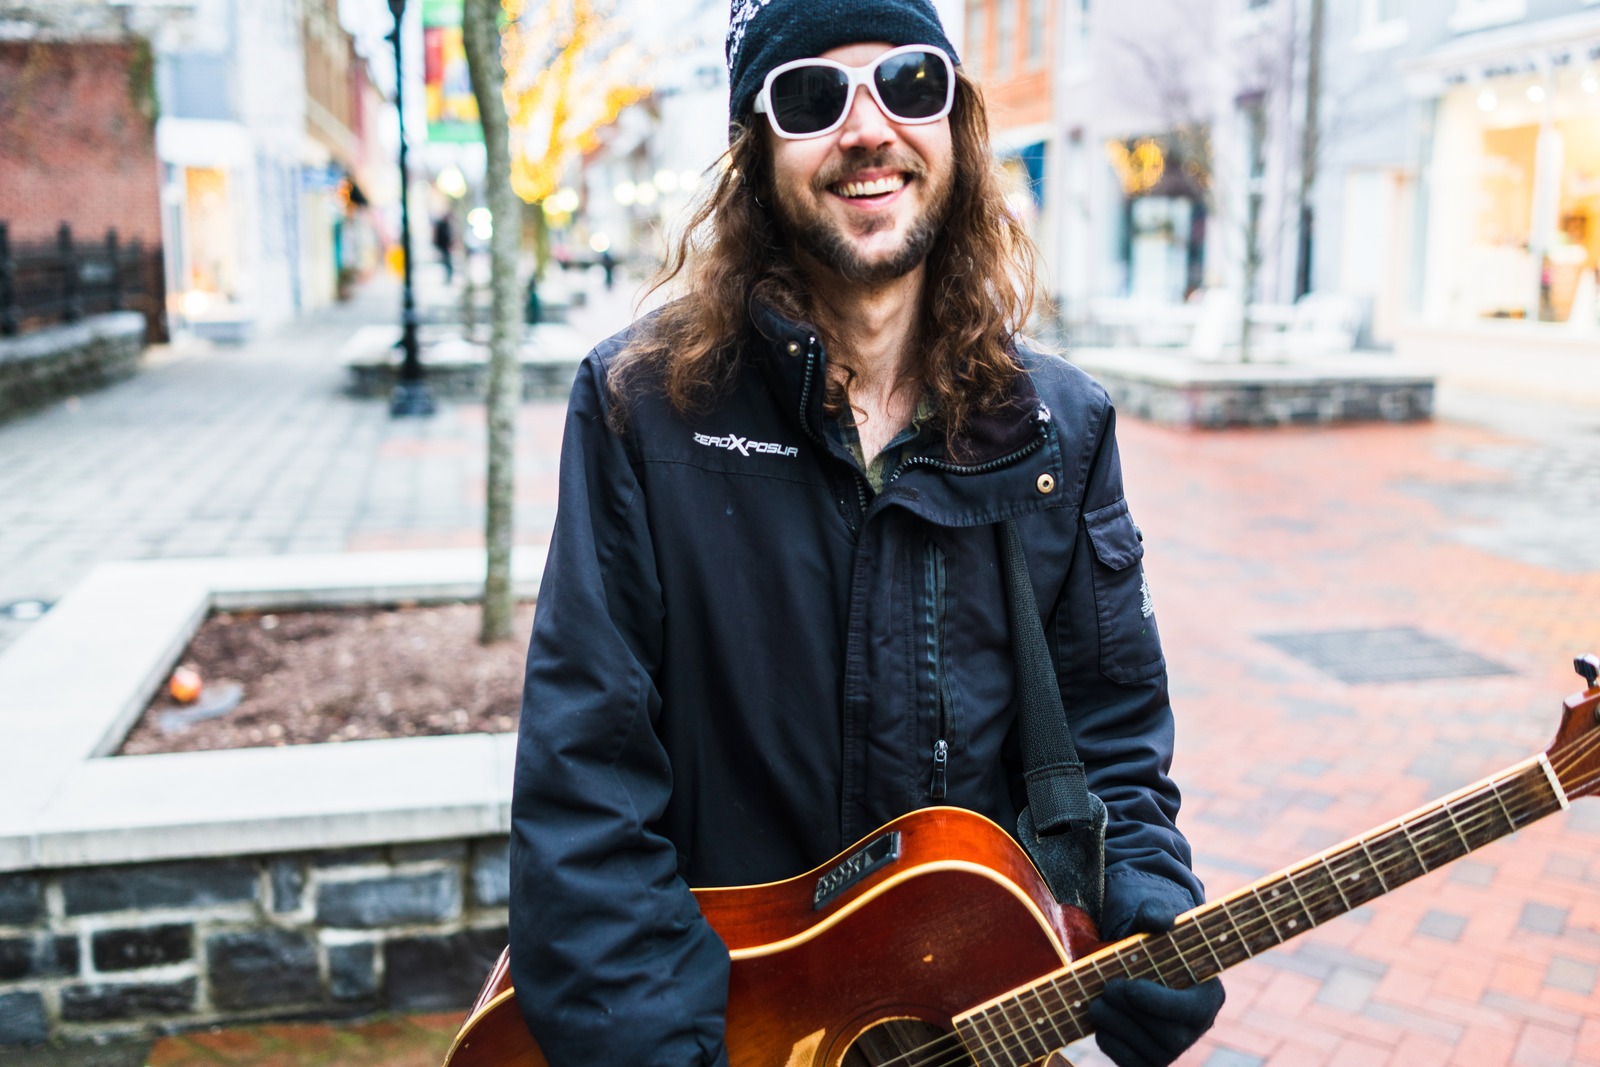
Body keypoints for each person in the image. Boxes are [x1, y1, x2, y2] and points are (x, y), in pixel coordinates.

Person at [508, 3, 1223, 1065]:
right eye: (811, 96)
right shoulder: (642, 409)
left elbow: (1111, 733)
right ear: (754, 154)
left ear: (955, 124)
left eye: (908, 83)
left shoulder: (1060, 431)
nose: (867, 128)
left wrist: (1143, 899)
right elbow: (587, 786)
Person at [432, 213, 455, 284]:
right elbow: (440, 238)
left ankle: (448, 278)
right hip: (444, 248)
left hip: (445, 247)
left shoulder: (445, 225)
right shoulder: (442, 226)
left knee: (447, 263)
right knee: (447, 263)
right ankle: (448, 278)